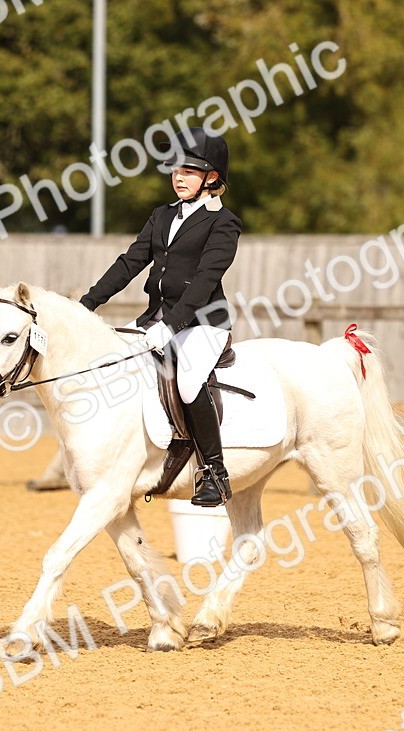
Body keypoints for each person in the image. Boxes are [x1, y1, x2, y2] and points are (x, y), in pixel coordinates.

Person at [79, 127, 241, 507]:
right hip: (155, 317)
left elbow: (204, 283)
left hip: (202, 322)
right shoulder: (161, 216)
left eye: (187, 171)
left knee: (186, 382)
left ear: (211, 177)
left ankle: (215, 473)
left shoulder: (224, 223)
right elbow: (129, 263)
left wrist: (171, 326)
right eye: (175, 171)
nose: (178, 178)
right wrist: (86, 305)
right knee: (113, 364)